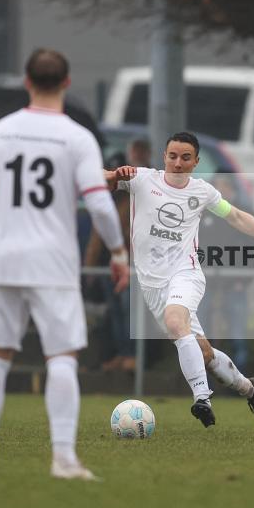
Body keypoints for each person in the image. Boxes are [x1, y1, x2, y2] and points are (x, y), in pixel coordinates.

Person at [0, 48, 129, 480]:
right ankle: (64, 459)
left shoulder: (0, 132)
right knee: (61, 358)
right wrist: (119, 252)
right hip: (53, 264)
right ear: (67, 84)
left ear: (27, 83)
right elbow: (100, 206)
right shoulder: (77, 137)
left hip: (5, 261)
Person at [106, 131, 254, 429]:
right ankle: (250, 388)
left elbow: (236, 217)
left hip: (186, 274)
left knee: (175, 320)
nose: (177, 163)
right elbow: (95, 180)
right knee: (202, 350)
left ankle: (202, 397)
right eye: (172, 156)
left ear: (195, 162)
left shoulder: (202, 192)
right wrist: (116, 174)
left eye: (185, 158)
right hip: (152, 285)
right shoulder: (142, 180)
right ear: (164, 157)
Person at [84, 140, 149, 372]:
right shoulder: (105, 200)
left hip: (128, 267)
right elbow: (95, 237)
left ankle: (132, 356)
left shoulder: (134, 201)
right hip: (106, 266)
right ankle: (122, 354)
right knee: (116, 313)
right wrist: (90, 267)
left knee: (128, 311)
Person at [197, 174, 254, 369]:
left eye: (223, 186)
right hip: (205, 285)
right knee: (202, 336)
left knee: (237, 336)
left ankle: (239, 382)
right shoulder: (204, 215)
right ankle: (206, 383)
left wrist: (243, 279)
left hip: (235, 286)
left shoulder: (244, 214)